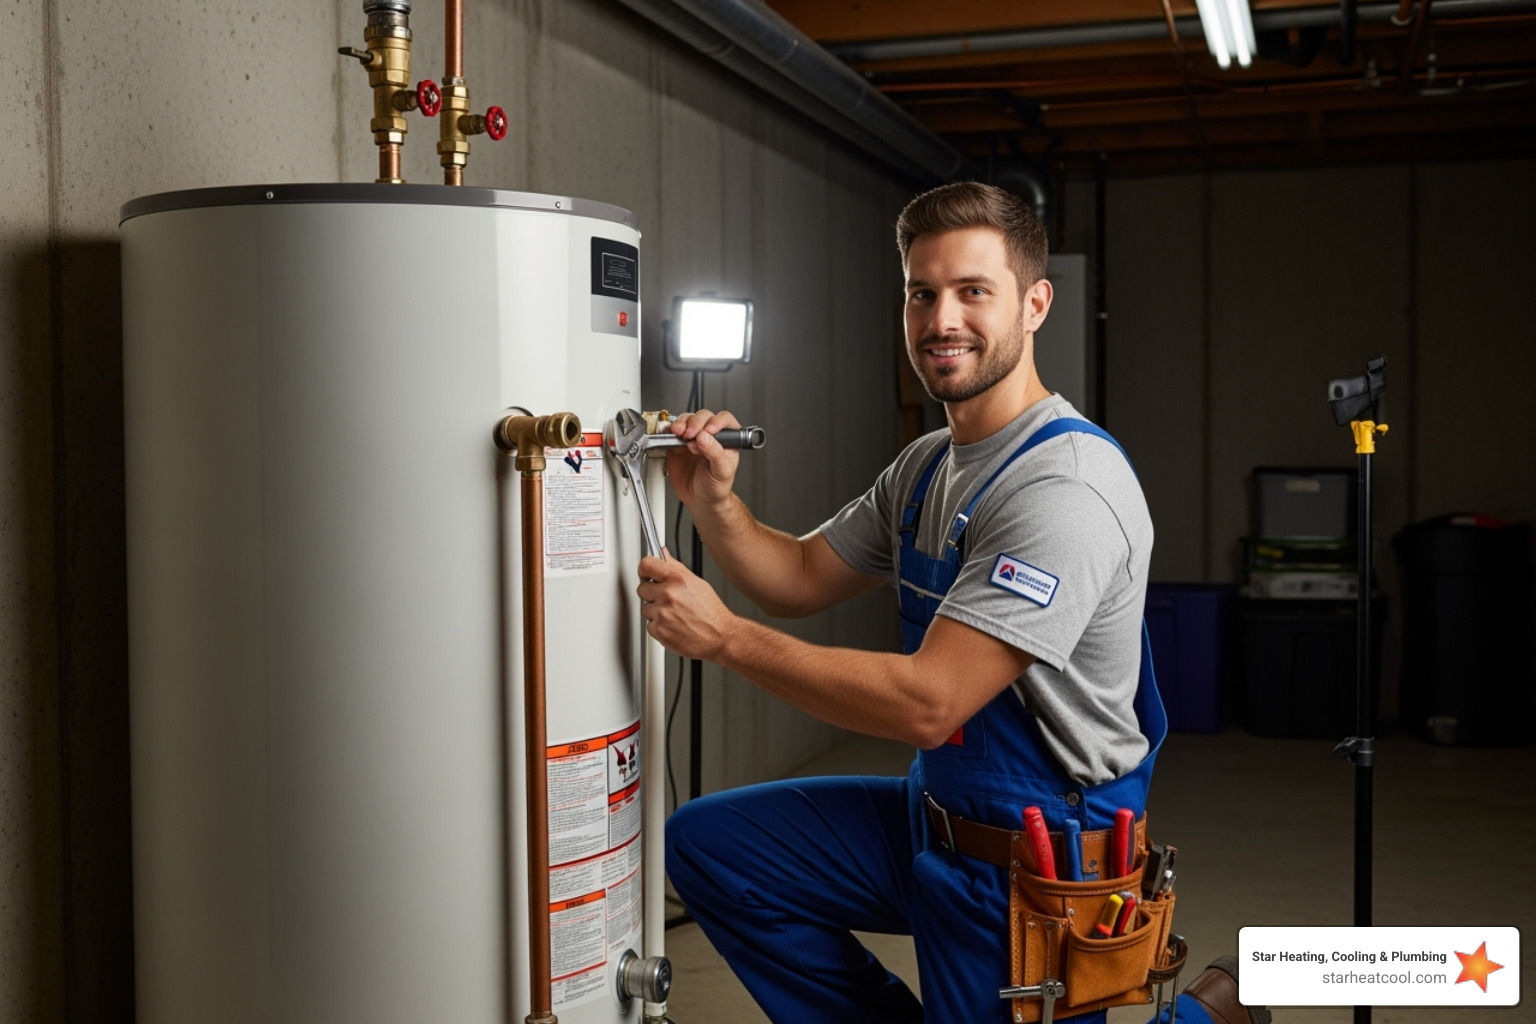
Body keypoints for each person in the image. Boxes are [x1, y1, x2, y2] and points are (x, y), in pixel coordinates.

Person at [637, 182, 1267, 1024]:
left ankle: (1210, 1014)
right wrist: (714, 501)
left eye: (974, 291)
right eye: (922, 292)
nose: (943, 320)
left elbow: (931, 703)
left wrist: (725, 641)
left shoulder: (1064, 488)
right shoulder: (928, 464)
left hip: (1039, 860)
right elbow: (797, 578)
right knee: (715, 848)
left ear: (1034, 303)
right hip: (933, 818)